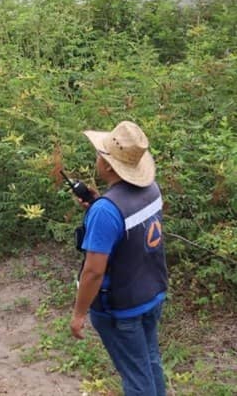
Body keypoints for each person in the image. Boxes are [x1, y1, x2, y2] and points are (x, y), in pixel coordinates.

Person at [70, 120, 168, 396]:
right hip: (151, 294)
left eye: (101, 154)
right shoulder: (152, 190)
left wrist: (79, 314)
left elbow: (93, 272)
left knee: (136, 379)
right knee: (149, 362)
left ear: (109, 166)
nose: (97, 157)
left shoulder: (106, 212)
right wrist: (102, 201)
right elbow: (133, 233)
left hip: (120, 309)